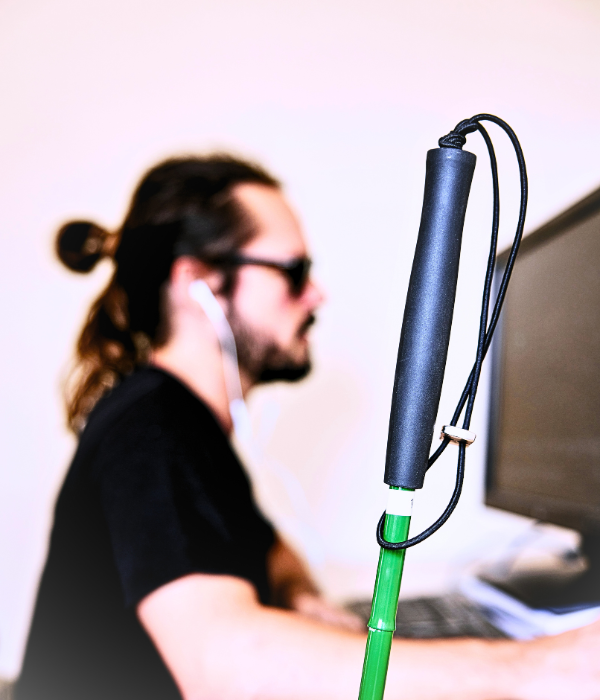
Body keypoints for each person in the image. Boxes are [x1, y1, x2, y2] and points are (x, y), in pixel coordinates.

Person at [15, 154, 600, 700]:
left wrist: (297, 597)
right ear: (200, 282)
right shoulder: (152, 431)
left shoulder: (184, 425)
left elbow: (263, 550)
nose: (316, 293)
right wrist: (543, 669)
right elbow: (224, 666)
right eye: (293, 271)